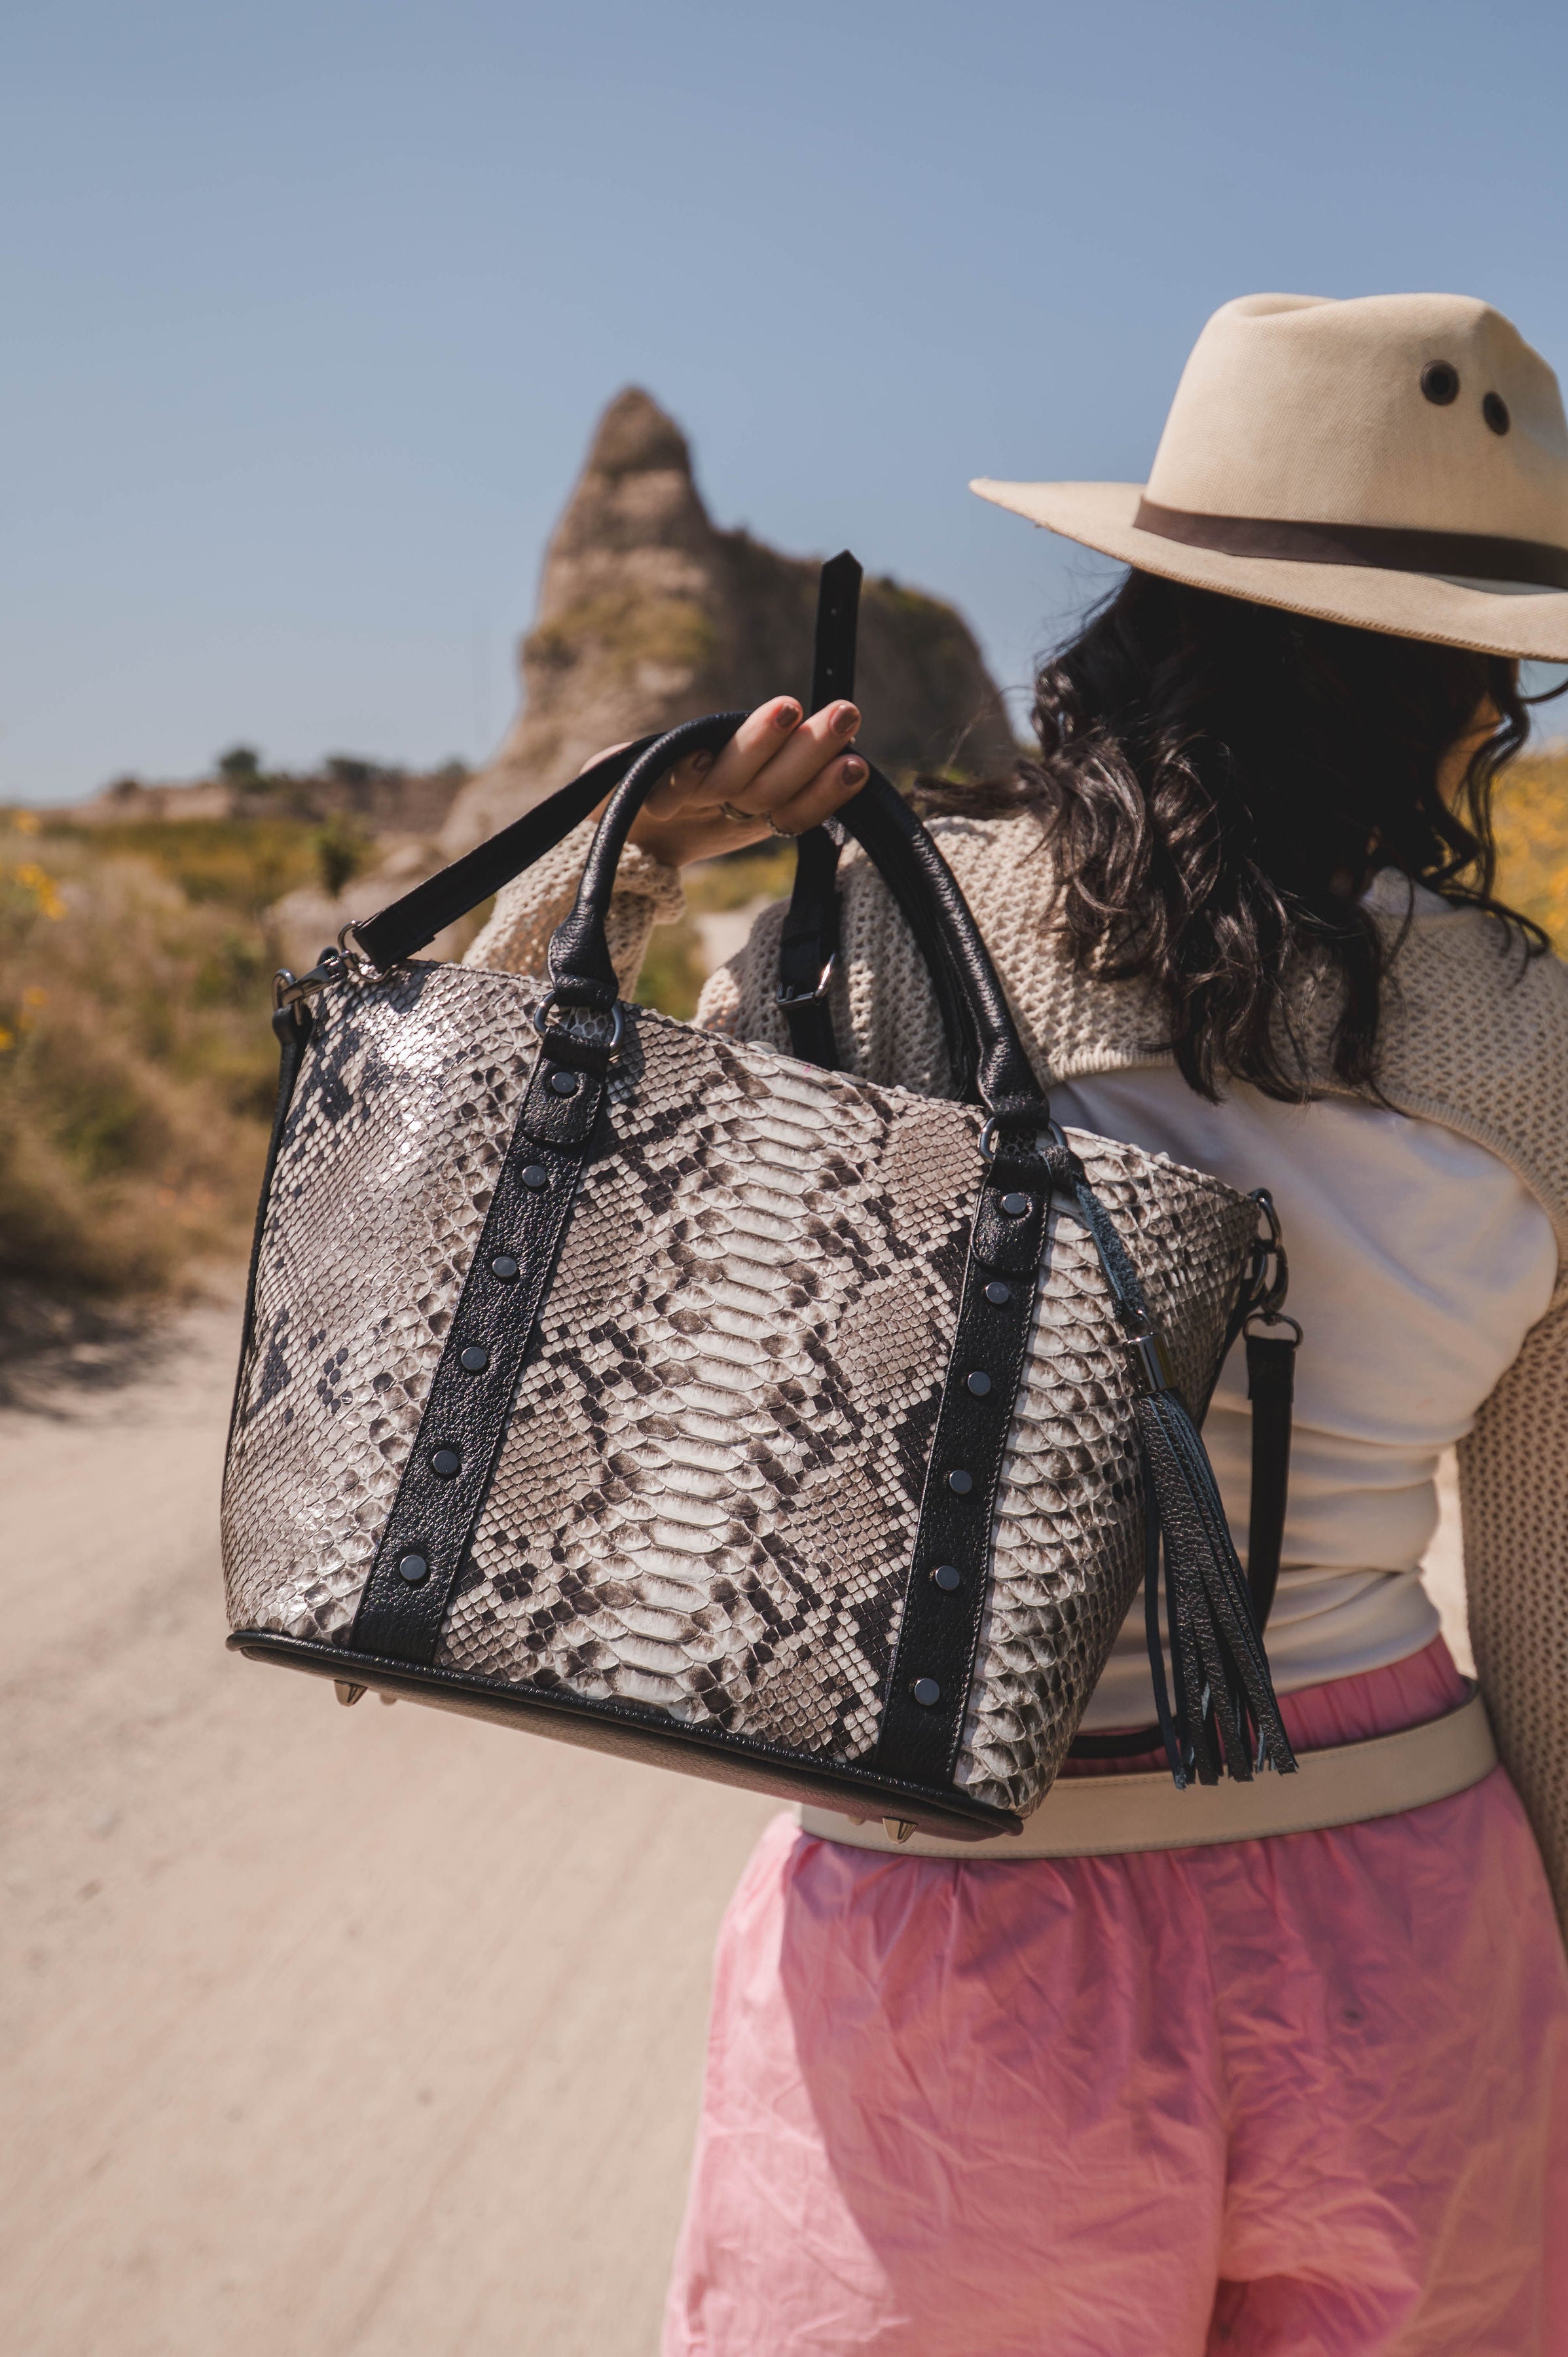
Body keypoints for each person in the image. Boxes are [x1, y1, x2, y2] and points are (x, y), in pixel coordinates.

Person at [469, 293, 1568, 2354]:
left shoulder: (871, 940)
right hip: (1404, 1928)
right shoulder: (1539, 1050)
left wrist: (643, 868)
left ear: (1152, 608)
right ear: (1469, 683)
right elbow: (1558, 1610)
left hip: (957, 1934)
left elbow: (520, 1220)